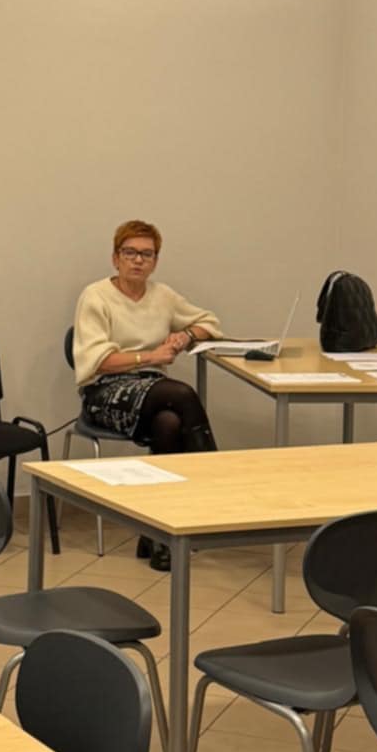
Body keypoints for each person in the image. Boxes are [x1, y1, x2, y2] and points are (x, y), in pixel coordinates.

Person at [73, 220, 222, 570]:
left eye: (147, 254)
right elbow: (98, 361)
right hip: (105, 393)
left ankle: (156, 534)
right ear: (115, 258)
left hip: (154, 393)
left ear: (155, 261)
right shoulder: (95, 296)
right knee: (182, 395)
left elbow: (209, 322)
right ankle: (214, 483)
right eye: (130, 253)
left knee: (168, 424)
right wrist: (150, 356)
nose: (138, 260)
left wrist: (184, 336)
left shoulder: (162, 296)